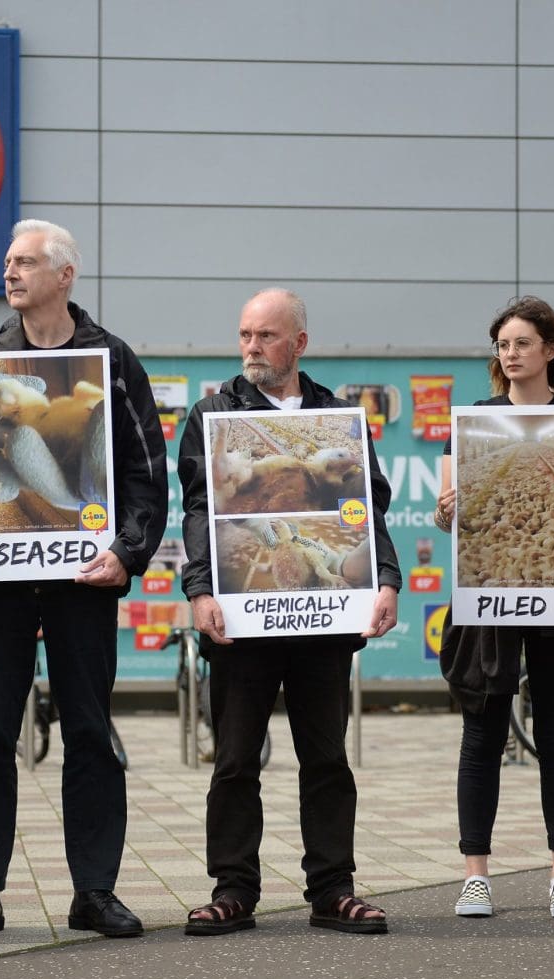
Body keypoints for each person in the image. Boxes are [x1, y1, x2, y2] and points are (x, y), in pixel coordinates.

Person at [0, 220, 168, 941]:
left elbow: (145, 472)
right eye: (8, 262)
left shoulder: (111, 361)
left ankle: (95, 890)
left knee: (91, 732)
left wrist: (127, 552)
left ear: (65, 276)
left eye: (26, 261)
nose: (11, 271)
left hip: (83, 584)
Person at [177, 287, 401, 937]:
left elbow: (370, 508)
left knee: (326, 757)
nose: (251, 346)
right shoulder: (213, 414)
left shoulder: (338, 417)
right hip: (243, 621)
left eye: (266, 335)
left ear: (299, 343)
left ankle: (333, 889)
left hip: (323, 620)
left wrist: (384, 578)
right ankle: (233, 888)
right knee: (235, 758)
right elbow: (198, 511)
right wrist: (200, 589)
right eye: (245, 334)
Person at [433, 296, 554, 922]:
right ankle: (476, 876)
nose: (509, 355)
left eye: (520, 343)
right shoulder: (474, 421)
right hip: (488, 598)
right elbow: (449, 514)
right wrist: (447, 513)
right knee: (482, 731)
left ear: (550, 349)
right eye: (502, 345)